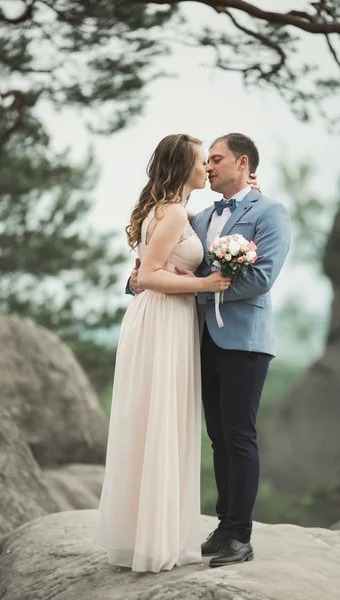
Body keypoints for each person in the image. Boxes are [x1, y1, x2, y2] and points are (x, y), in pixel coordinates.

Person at [130, 133, 291, 568]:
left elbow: (261, 279)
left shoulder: (271, 212)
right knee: (218, 438)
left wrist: (199, 291)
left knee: (239, 435)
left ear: (242, 163)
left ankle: (241, 536)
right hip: (200, 340)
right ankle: (223, 527)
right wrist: (146, 281)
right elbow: (170, 261)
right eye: (206, 161)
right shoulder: (199, 218)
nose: (209, 167)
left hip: (245, 341)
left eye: (216, 160)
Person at [94, 134, 233, 573]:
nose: (206, 168)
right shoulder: (171, 212)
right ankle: (152, 541)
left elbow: (191, 230)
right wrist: (204, 285)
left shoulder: (176, 210)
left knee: (156, 423)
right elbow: (149, 275)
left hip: (164, 320)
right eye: (200, 161)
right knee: (159, 423)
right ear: (183, 167)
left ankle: (148, 535)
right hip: (162, 320)